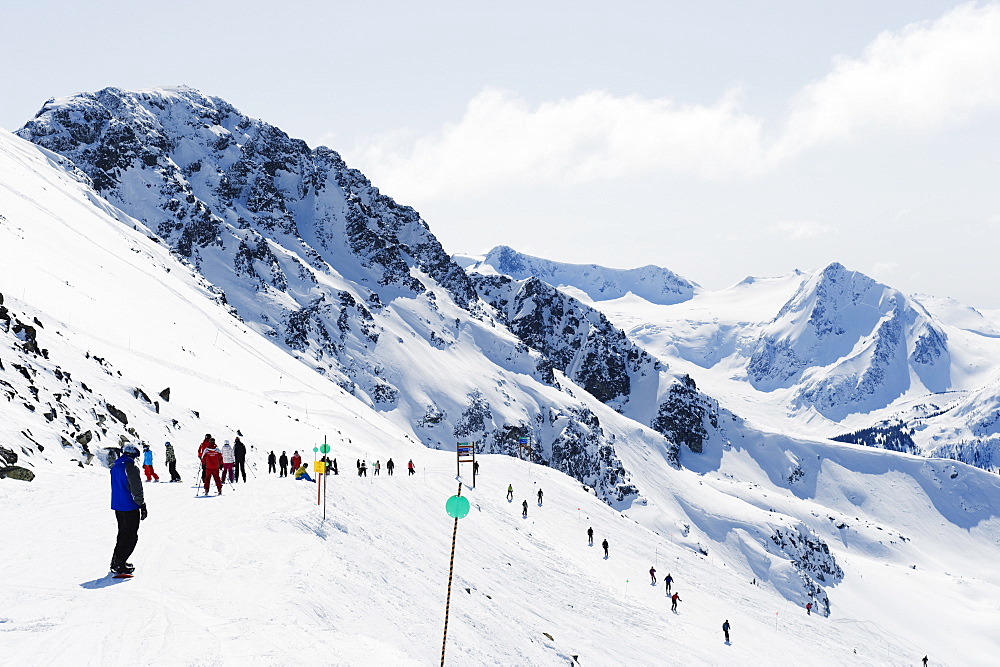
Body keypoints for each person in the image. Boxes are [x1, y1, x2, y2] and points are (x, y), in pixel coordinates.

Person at [110, 443, 147, 575]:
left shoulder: (115, 466)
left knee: (122, 534)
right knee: (131, 536)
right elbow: (136, 488)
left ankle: (116, 561)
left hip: (118, 505)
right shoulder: (130, 466)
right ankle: (120, 563)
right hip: (129, 506)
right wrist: (141, 504)